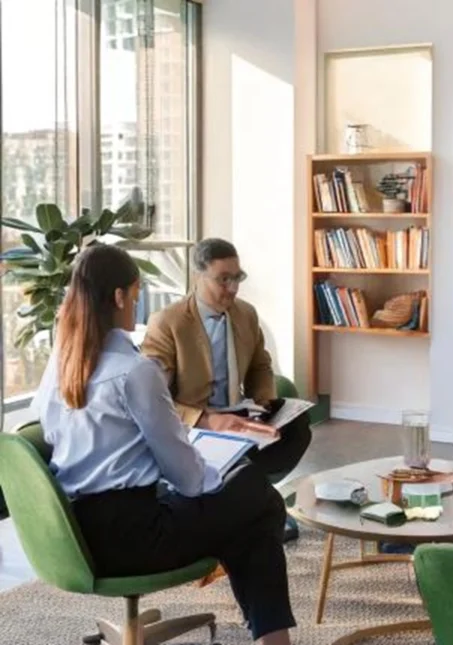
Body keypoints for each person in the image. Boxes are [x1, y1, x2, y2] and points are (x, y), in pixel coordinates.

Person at [32, 245, 295, 644]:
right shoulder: (135, 371)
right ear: (119, 297)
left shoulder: (61, 361)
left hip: (76, 533)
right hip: (135, 538)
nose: (136, 307)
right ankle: (272, 638)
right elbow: (188, 478)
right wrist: (218, 474)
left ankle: (270, 637)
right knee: (257, 498)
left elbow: (51, 436)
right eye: (136, 295)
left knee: (247, 510)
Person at [141, 238, 311, 540]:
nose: (232, 288)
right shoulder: (167, 322)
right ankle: (255, 509)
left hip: (237, 412)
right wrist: (208, 420)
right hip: (194, 423)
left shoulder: (245, 314)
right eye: (224, 279)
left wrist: (266, 402)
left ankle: (250, 501)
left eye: (237, 278)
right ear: (198, 276)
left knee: (296, 427)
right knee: (237, 452)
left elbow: (260, 364)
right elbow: (154, 399)